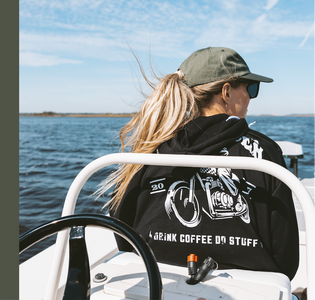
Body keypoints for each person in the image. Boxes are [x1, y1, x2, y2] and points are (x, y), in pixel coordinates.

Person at [98, 47, 300, 281]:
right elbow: (286, 262)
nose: (251, 97)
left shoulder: (149, 150)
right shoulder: (264, 152)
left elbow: (123, 234)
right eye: (250, 88)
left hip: (153, 286)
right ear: (226, 92)